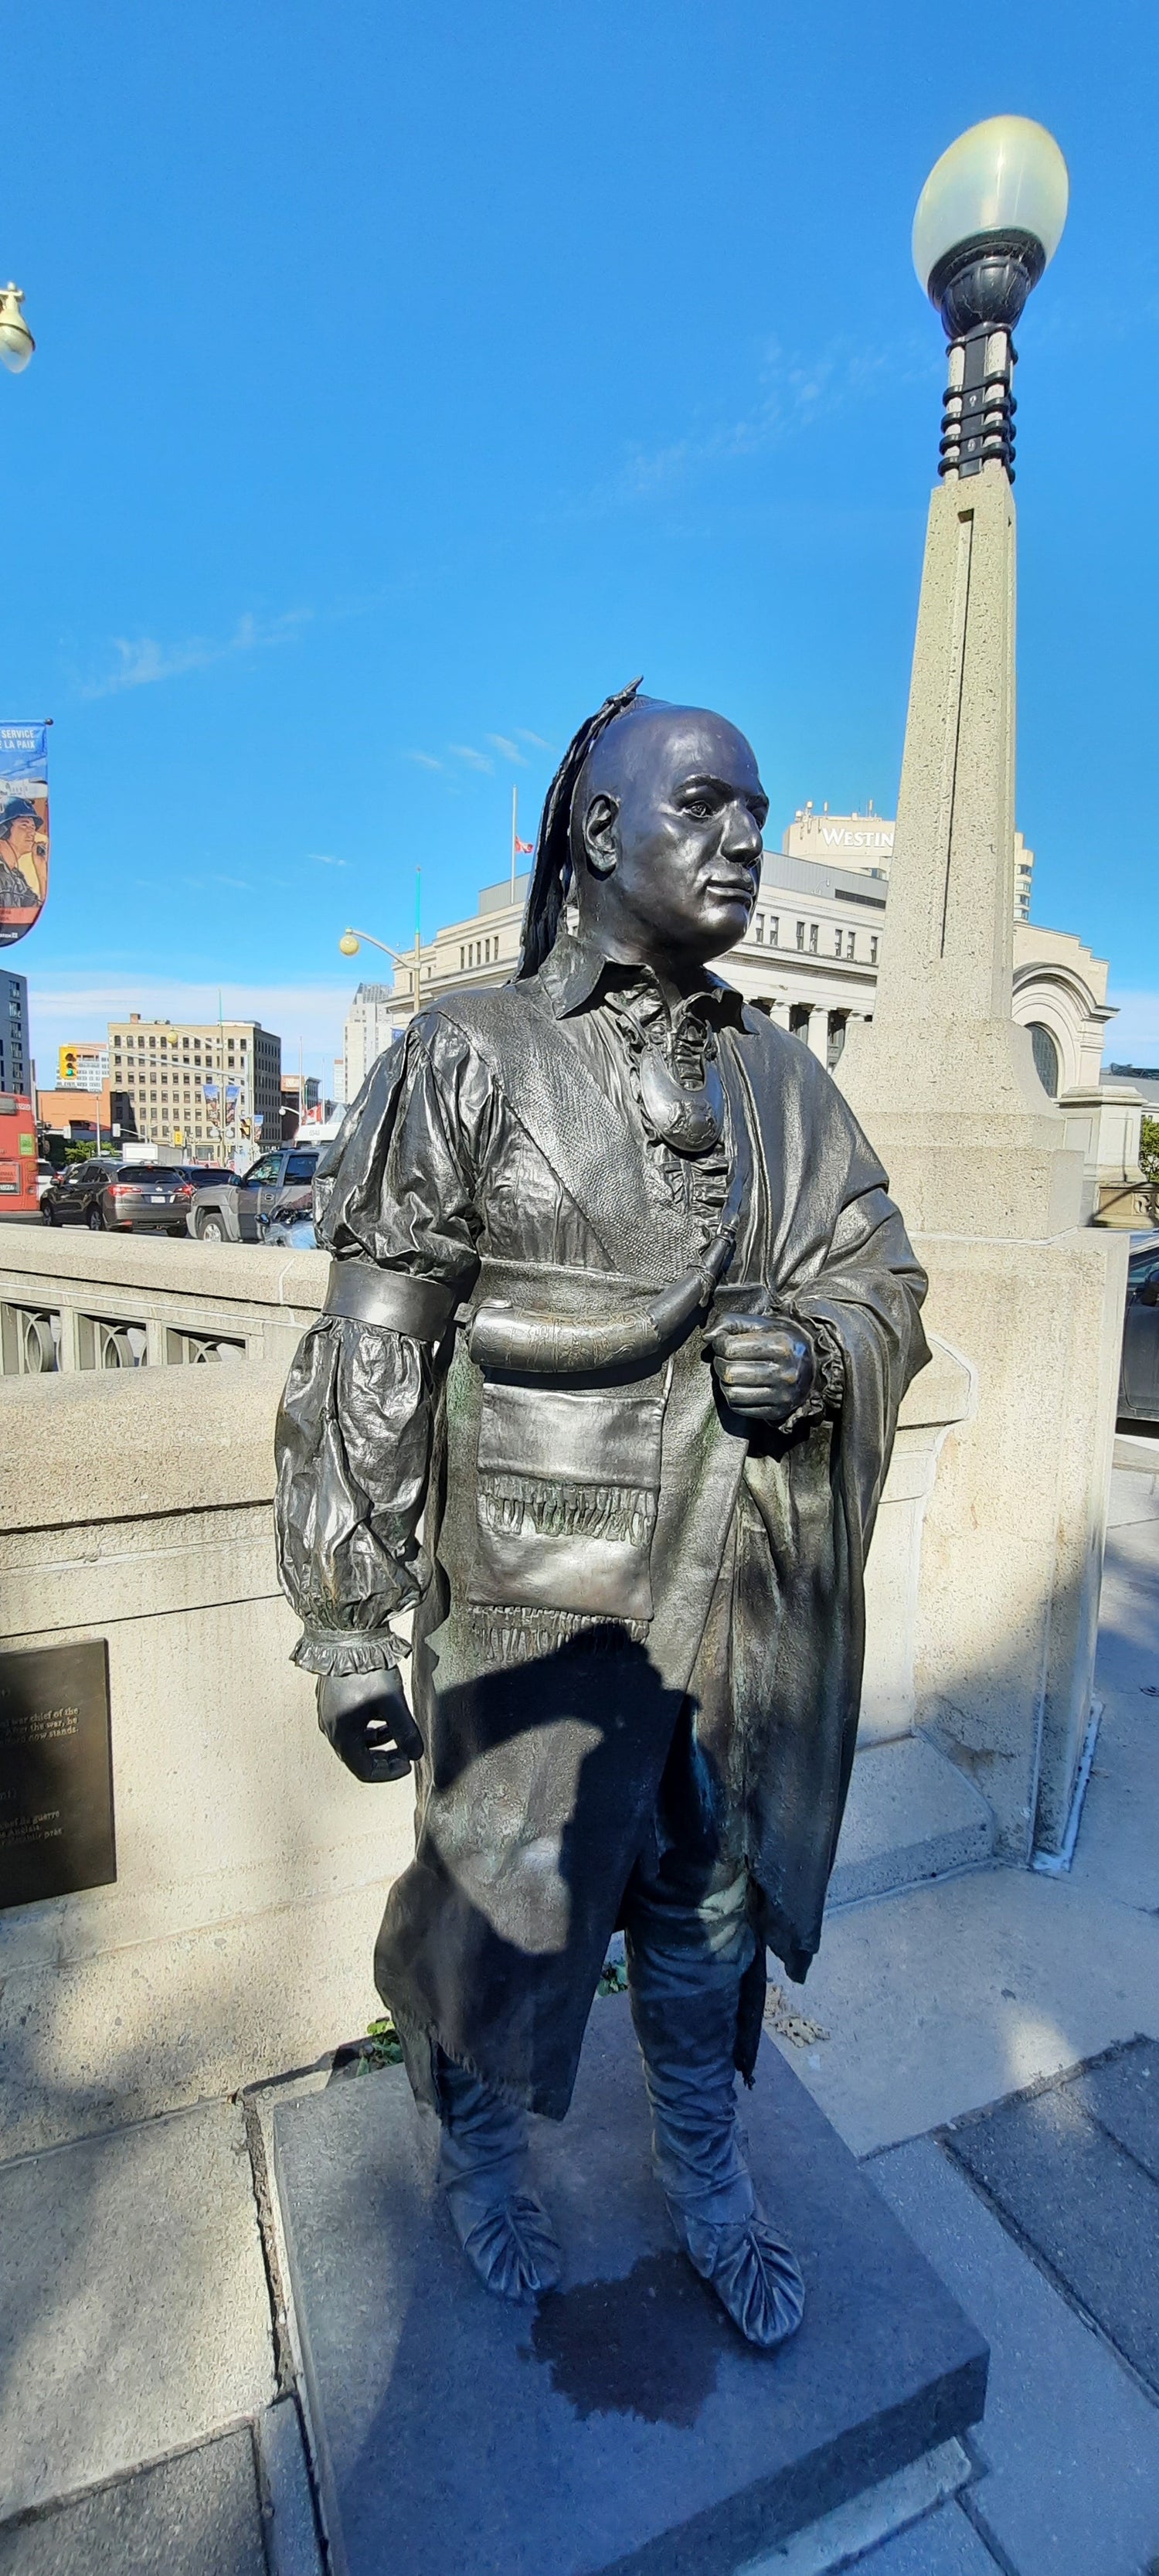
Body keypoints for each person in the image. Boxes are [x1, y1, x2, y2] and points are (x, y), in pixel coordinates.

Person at [275, 685, 929, 2346]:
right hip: (532, 1595)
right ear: (596, 831)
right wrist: (351, 1618)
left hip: (730, 1589)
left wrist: (823, 1348)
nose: (746, 840)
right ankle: (480, 2148)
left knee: (705, 1909)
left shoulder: (788, 1085)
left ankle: (708, 2172)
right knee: (511, 1905)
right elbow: (373, 1345)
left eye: (759, 812)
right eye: (706, 803)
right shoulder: (466, 1055)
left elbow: (884, 1275)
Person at [0, 797, 46, 914]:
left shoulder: (17, 878)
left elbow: (38, 913)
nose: (32, 833)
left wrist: (41, 868)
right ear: (3, 830)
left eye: (33, 828)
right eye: (24, 825)